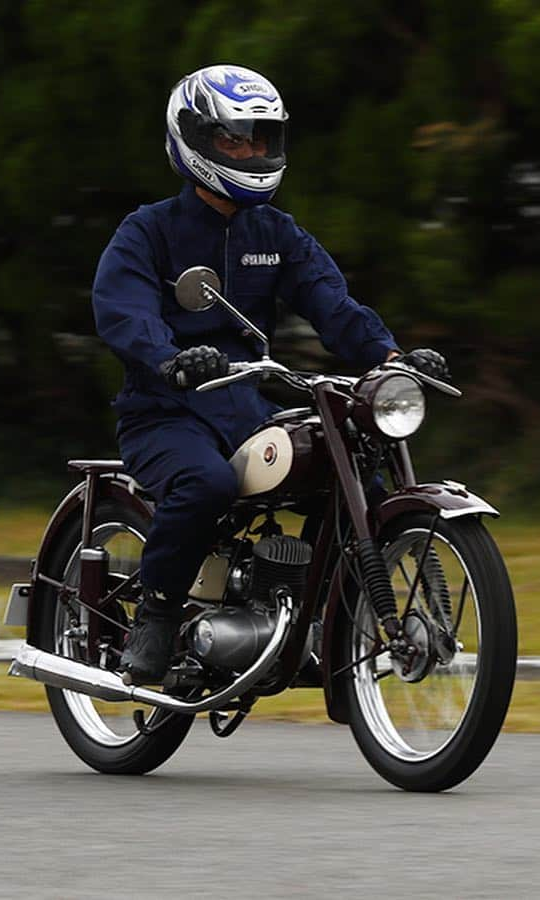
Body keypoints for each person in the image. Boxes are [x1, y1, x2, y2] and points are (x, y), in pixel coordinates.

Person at [92, 64, 449, 685]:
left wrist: (389, 359)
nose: (253, 152)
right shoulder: (149, 231)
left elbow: (333, 306)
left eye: (262, 139)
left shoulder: (276, 233)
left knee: (347, 463)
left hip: (243, 410)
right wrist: (170, 358)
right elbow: (123, 312)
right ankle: (155, 616)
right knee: (203, 485)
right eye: (236, 139)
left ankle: (303, 608)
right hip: (164, 412)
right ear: (195, 140)